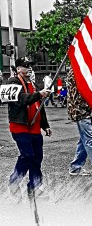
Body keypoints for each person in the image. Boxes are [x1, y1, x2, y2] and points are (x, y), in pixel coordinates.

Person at [7, 56, 52, 200]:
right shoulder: (12, 82)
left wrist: (45, 125)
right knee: (27, 155)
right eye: (25, 66)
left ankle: (34, 187)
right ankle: (14, 182)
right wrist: (39, 94)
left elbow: (40, 107)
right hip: (20, 127)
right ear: (18, 69)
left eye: (30, 65)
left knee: (37, 158)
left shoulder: (33, 83)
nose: (29, 68)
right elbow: (21, 99)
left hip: (34, 128)